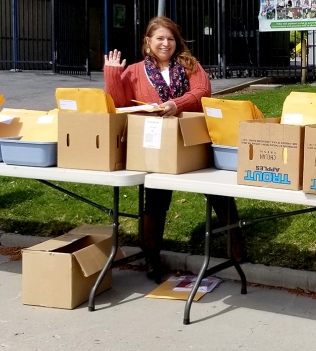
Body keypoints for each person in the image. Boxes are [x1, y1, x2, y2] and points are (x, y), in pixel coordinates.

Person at [104, 16, 247, 283]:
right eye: (159, 38)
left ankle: (237, 248)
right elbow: (119, 105)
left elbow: (203, 92)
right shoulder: (134, 71)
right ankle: (152, 258)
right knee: (156, 200)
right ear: (148, 42)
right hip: (158, 146)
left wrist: (176, 104)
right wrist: (112, 74)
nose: (165, 43)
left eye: (170, 38)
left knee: (218, 192)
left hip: (194, 139)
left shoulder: (190, 65)